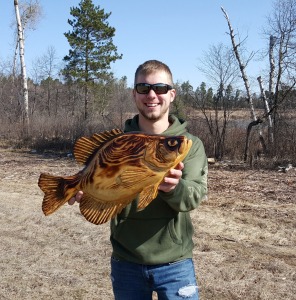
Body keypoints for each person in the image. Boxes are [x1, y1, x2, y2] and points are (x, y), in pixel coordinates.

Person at [69, 60, 208, 299]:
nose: (152, 95)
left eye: (160, 88)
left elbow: (194, 196)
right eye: (143, 88)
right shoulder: (118, 143)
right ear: (134, 94)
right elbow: (109, 191)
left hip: (175, 263)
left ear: (172, 94)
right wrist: (88, 194)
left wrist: (174, 188)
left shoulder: (189, 145)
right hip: (126, 262)